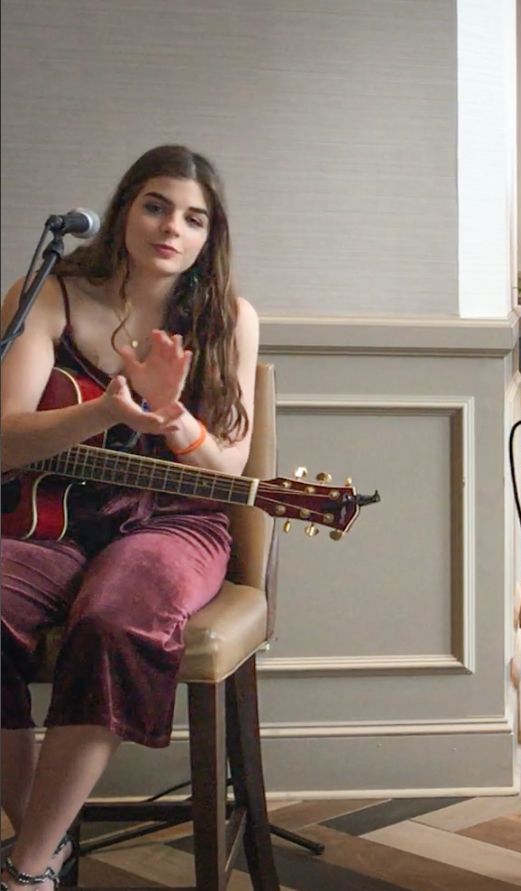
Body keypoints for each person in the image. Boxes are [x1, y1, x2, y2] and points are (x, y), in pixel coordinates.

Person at [0, 145, 259, 889]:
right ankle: (44, 840)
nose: (172, 227)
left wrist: (172, 414)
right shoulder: (50, 293)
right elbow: (6, 436)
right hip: (48, 518)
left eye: (194, 218)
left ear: (210, 236)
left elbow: (228, 469)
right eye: (156, 206)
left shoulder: (229, 319)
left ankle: (26, 868)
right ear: (123, 211)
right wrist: (105, 412)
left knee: (116, 617)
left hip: (173, 522)